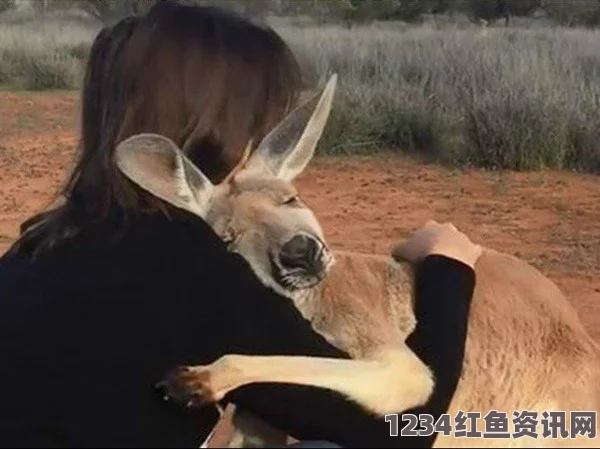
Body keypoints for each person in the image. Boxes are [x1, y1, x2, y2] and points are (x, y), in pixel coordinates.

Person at [0, 2, 481, 448]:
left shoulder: (36, 245)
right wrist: (449, 269)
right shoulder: (199, 272)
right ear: (218, 133)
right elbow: (404, 428)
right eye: (255, 123)